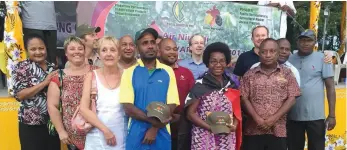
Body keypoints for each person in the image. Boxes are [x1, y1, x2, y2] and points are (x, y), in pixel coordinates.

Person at [119, 28, 179, 150]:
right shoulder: (129, 72)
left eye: (152, 42)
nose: (150, 46)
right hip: (136, 133)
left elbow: (172, 103)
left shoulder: (168, 71)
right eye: (145, 43)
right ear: (137, 47)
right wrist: (154, 123)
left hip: (162, 132)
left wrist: (155, 128)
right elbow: (128, 107)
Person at [240, 38, 300, 150]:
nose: (268, 55)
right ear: (259, 53)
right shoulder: (249, 74)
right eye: (264, 51)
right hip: (253, 130)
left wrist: (273, 119)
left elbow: (292, 98)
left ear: (277, 54)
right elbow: (243, 98)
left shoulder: (287, 73)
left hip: (278, 130)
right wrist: (257, 119)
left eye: (272, 51)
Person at [184, 42, 242, 150]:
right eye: (213, 61)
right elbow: (190, 114)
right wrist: (211, 128)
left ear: (226, 62)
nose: (218, 65)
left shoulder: (232, 85)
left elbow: (237, 112)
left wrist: (234, 125)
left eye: (222, 61)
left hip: (226, 137)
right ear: (207, 63)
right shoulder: (200, 85)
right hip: (203, 136)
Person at [287, 29, 336, 150]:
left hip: (316, 116)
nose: (305, 43)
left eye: (309, 40)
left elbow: (330, 87)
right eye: (302, 40)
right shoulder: (289, 60)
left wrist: (332, 115)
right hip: (293, 115)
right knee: (294, 147)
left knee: (316, 147)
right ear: (297, 42)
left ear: (315, 42)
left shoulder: (323, 59)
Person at [47, 36, 97, 150]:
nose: (77, 52)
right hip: (72, 138)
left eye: (80, 48)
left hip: (96, 132)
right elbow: (52, 105)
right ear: (66, 53)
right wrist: (61, 131)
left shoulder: (97, 71)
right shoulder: (58, 76)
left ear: (84, 51)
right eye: (72, 49)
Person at [12, 34, 60, 150]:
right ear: (27, 50)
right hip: (30, 125)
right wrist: (44, 83)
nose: (38, 52)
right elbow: (20, 95)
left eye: (41, 48)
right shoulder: (21, 67)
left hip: (52, 124)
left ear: (46, 49)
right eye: (33, 49)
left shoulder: (52, 68)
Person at [80, 36, 127, 150]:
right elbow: (83, 109)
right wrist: (105, 131)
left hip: (120, 137)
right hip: (96, 139)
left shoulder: (127, 76)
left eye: (113, 50)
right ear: (99, 55)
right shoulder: (91, 76)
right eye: (104, 50)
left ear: (119, 54)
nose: (108, 54)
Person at [157, 38, 195, 150]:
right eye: (168, 49)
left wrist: (182, 116)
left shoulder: (186, 73)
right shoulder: (153, 71)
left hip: (181, 126)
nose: (172, 52)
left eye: (175, 49)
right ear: (159, 51)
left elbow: (193, 99)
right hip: (157, 124)